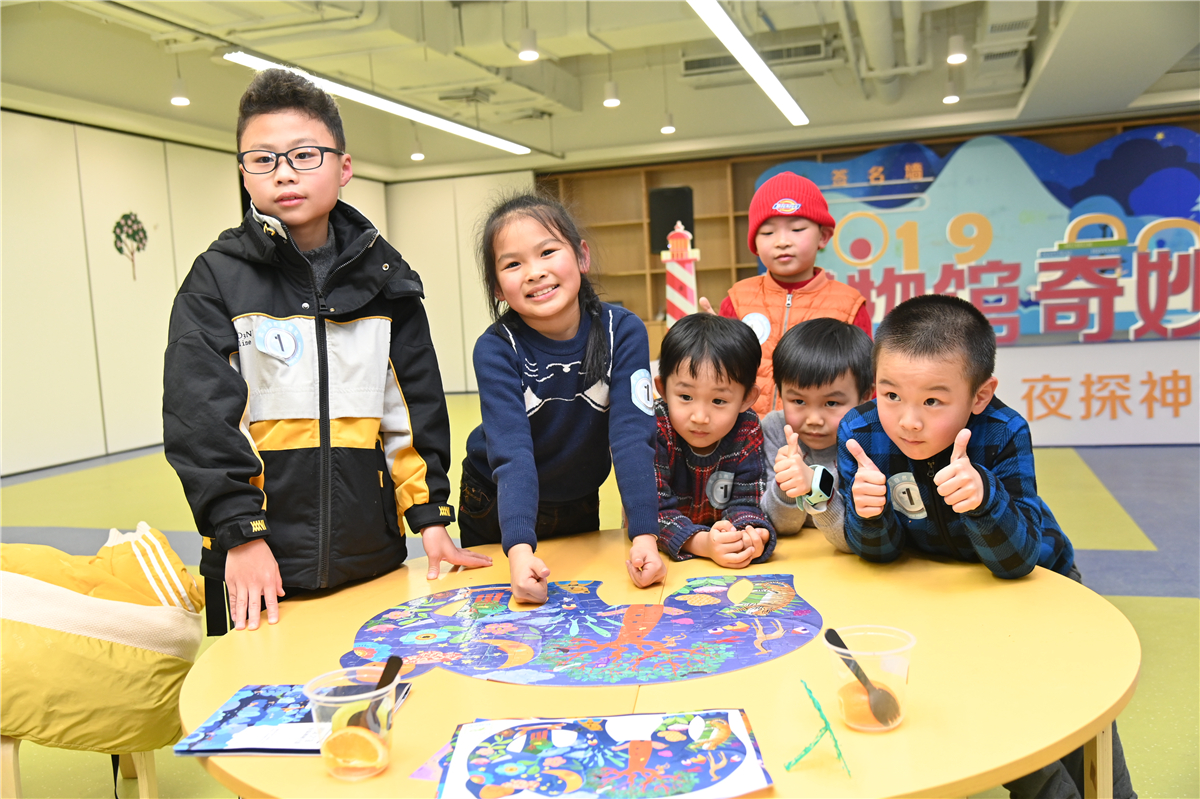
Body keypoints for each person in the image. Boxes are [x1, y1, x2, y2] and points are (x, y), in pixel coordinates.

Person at [163, 69, 489, 634]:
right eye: (262, 159)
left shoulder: (388, 282)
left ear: (344, 167)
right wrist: (240, 534)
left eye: (304, 155)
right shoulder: (215, 279)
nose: (284, 172)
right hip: (257, 562)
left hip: (371, 556)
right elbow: (200, 418)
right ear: (243, 172)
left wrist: (430, 517)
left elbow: (411, 411)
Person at [838, 293, 1135, 799]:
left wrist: (983, 500)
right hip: (942, 593)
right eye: (891, 395)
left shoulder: (1002, 431)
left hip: (1038, 583)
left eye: (932, 401)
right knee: (992, 707)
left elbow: (1017, 562)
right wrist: (868, 515)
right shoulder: (860, 432)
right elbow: (882, 555)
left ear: (980, 395)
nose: (908, 420)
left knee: (1071, 700)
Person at [460, 192, 665, 604]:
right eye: (513, 264)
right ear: (497, 287)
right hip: (498, 503)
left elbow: (631, 437)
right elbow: (512, 454)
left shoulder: (622, 331)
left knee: (580, 608)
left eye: (547, 252)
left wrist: (645, 536)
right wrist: (519, 551)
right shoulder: (496, 348)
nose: (535, 272)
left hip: (577, 497)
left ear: (581, 256)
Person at [699, 171, 870, 417]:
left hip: (820, 432)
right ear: (755, 243)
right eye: (768, 233)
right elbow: (720, 376)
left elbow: (866, 383)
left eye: (797, 229)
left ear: (822, 236)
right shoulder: (737, 299)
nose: (782, 242)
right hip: (747, 433)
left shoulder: (849, 305)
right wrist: (708, 343)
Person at [654, 313, 776, 567]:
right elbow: (651, 510)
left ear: (746, 399)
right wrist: (702, 543)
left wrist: (749, 533)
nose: (700, 417)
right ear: (663, 389)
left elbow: (747, 501)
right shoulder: (656, 427)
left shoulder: (747, 428)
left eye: (718, 401)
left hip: (718, 557)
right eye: (685, 397)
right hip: (659, 560)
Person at [762, 318, 873, 551]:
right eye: (798, 401)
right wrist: (787, 484)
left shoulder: (871, 438)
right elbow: (781, 526)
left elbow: (859, 537)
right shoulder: (775, 429)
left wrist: (815, 486)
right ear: (780, 393)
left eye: (831, 403)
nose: (814, 419)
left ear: (865, 397)